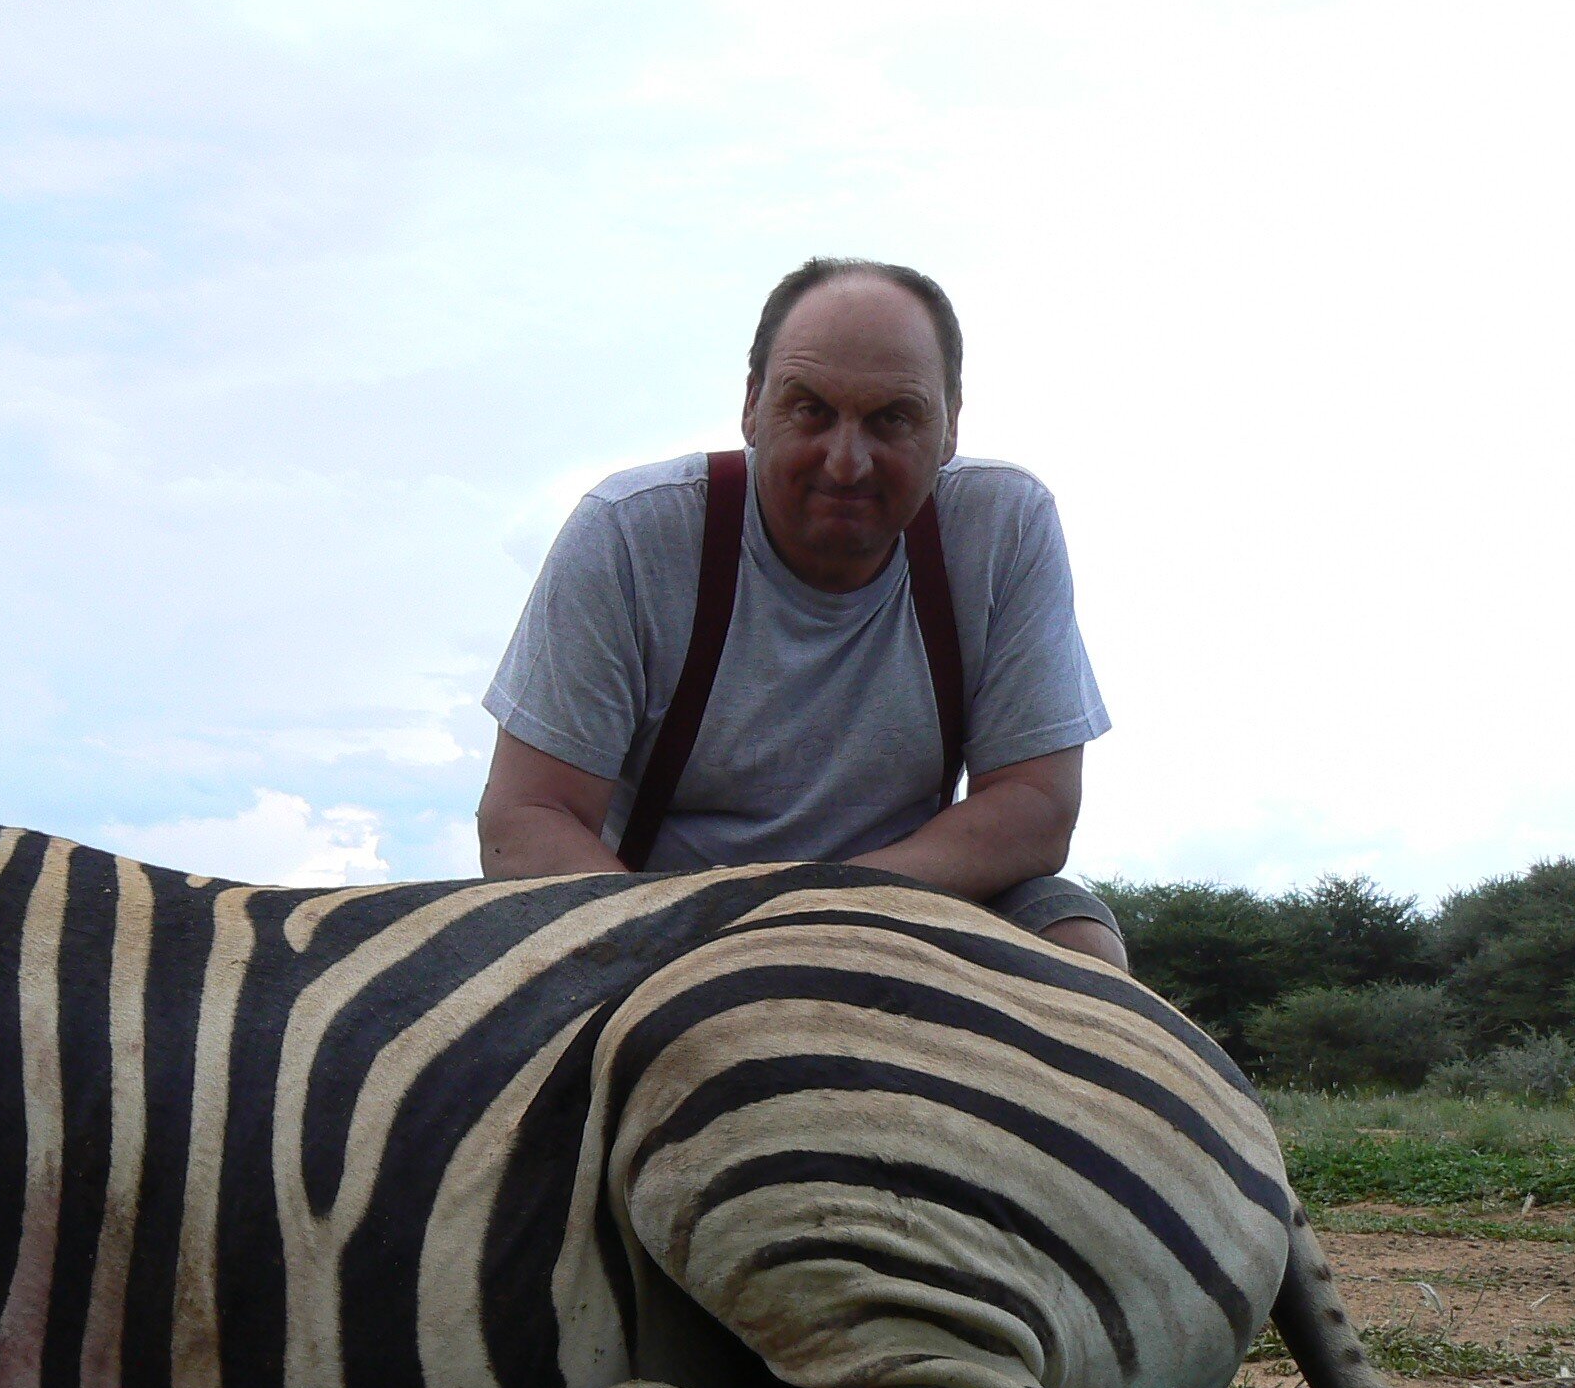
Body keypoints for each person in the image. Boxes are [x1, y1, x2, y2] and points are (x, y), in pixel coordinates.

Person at [476, 256, 1127, 968]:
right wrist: (685, 946)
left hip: (911, 898)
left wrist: (820, 912)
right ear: (752, 405)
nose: (846, 463)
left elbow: (1037, 809)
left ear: (950, 428)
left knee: (1080, 944)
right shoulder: (629, 532)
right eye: (811, 409)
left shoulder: (1007, 526)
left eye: (893, 419)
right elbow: (525, 820)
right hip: (659, 916)